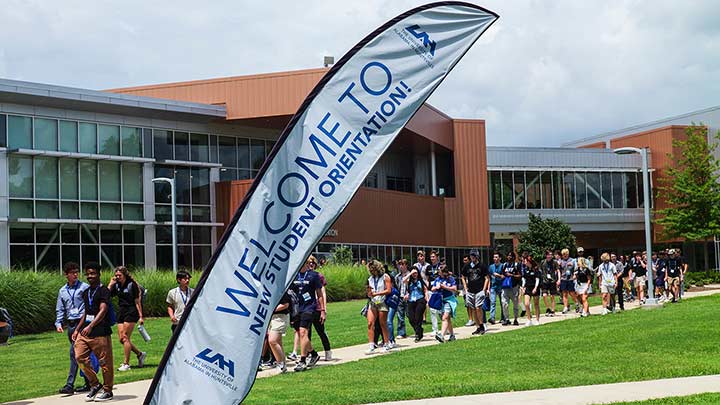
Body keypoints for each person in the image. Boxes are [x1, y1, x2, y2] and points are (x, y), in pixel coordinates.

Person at [72, 262, 114, 402]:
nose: (90, 276)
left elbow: (103, 310)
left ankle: (108, 390)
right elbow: (86, 312)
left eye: (93, 273)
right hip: (85, 333)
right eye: (88, 274)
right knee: (79, 357)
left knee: (105, 363)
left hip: (100, 333)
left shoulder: (104, 291)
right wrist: (78, 329)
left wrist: (91, 326)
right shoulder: (86, 292)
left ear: (99, 274)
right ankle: (95, 384)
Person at [55, 262, 98, 394]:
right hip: (71, 324)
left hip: (82, 323)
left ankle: (69, 385)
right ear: (66, 275)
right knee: (81, 355)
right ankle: (89, 382)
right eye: (72, 273)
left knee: (74, 353)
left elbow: (89, 306)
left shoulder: (84, 287)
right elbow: (60, 308)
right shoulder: (62, 291)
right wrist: (58, 323)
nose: (75, 275)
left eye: (76, 272)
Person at [108, 266, 146, 372]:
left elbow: (137, 301)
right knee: (122, 339)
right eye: (116, 275)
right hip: (121, 311)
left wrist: (141, 316)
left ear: (124, 275)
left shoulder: (132, 285)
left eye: (119, 275)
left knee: (125, 337)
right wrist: (111, 284)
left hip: (131, 311)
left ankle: (126, 364)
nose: (117, 277)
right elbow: (106, 295)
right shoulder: (117, 285)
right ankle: (140, 354)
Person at [290, 257, 324, 371]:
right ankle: (313, 354)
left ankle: (303, 360)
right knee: (300, 334)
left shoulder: (314, 275)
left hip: (309, 308)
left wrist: (322, 310)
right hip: (296, 309)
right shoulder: (293, 275)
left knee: (304, 332)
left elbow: (319, 294)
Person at [307, 257, 332, 361]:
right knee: (307, 333)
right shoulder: (302, 276)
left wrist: (323, 309)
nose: (311, 265)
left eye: (313, 263)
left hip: (317, 307)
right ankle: (308, 354)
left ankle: (328, 351)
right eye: (309, 263)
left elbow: (323, 293)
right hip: (307, 308)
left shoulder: (318, 276)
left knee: (321, 331)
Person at [366, 259, 392, 354]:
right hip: (373, 302)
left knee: (382, 323)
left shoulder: (385, 277)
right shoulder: (370, 279)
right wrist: (369, 293)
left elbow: (389, 290)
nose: (372, 272)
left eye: (373, 270)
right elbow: (369, 291)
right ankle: (371, 345)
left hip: (382, 302)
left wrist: (377, 293)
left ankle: (387, 343)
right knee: (370, 323)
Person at [462, 249, 489, 335]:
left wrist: (484, 289)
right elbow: (463, 277)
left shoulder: (482, 266)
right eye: (471, 256)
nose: (472, 257)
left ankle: (481, 325)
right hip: (470, 291)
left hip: (479, 290)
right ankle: (477, 327)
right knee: (473, 309)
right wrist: (465, 288)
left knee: (478, 308)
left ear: (477, 256)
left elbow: (487, 278)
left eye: (474, 255)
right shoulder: (467, 266)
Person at [431, 265, 458, 343]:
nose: (438, 272)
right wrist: (437, 287)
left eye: (439, 271)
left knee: (445, 317)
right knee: (447, 318)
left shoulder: (450, 279)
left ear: (444, 272)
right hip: (441, 301)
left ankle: (442, 335)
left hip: (449, 300)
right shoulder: (438, 279)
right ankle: (452, 335)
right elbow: (432, 289)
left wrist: (444, 287)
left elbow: (454, 289)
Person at [268, 291, 292, 373]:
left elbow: (285, 305)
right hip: (271, 318)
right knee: (278, 342)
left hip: (280, 317)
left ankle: (280, 364)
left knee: (272, 340)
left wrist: (271, 310)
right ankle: (283, 365)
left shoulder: (281, 290)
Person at [403, 266, 427, 342]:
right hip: (411, 300)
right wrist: (410, 273)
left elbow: (425, 290)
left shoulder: (421, 280)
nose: (414, 274)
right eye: (413, 273)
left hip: (420, 299)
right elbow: (403, 280)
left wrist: (427, 300)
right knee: (411, 319)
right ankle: (419, 331)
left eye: (416, 273)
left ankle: (418, 334)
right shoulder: (409, 281)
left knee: (418, 318)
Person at [501, 252, 522, 326]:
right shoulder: (504, 265)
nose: (509, 257)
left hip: (514, 287)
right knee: (504, 304)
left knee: (515, 304)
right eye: (508, 255)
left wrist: (512, 275)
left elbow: (520, 275)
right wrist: (501, 276)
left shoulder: (517, 265)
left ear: (513, 257)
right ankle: (506, 319)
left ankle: (516, 319)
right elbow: (502, 274)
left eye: (510, 256)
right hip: (505, 287)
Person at [390, 259, 409, 340]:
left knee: (410, 315)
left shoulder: (410, 274)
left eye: (402, 264)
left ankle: (417, 330)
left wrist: (408, 294)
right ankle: (401, 332)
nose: (400, 266)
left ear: (406, 265)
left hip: (409, 297)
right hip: (400, 298)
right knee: (400, 316)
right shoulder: (397, 277)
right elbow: (396, 287)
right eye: (399, 264)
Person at [425, 251, 442, 335]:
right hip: (431, 290)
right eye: (431, 257)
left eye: (433, 257)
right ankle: (435, 329)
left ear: (437, 257)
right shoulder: (428, 267)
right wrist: (427, 290)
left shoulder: (440, 266)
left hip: (439, 291)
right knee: (432, 310)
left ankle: (445, 326)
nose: (432, 258)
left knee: (440, 310)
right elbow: (427, 279)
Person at [521, 256, 541, 326]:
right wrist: (523, 287)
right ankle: (529, 319)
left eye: (525, 261)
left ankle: (537, 319)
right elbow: (524, 279)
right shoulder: (525, 269)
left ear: (529, 261)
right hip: (528, 288)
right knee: (526, 304)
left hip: (535, 288)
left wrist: (535, 288)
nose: (524, 262)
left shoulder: (535, 269)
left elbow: (537, 279)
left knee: (536, 304)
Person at [558, 249, 578, 314]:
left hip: (570, 279)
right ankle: (565, 307)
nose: (565, 255)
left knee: (572, 293)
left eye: (566, 254)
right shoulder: (560, 261)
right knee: (564, 293)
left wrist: (575, 274)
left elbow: (576, 269)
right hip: (563, 279)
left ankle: (577, 304)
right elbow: (558, 270)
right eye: (563, 254)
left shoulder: (572, 260)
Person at [539, 250, 559, 316]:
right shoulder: (543, 262)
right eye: (549, 255)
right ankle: (548, 308)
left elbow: (558, 271)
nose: (550, 256)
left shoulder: (554, 262)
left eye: (551, 255)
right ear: (546, 255)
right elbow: (540, 271)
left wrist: (559, 280)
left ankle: (553, 310)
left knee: (552, 296)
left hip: (552, 281)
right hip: (545, 281)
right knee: (544, 295)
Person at [487, 253, 505, 324]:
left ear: (500, 258)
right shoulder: (491, 267)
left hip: (501, 286)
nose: (495, 259)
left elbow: (505, 276)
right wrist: (488, 289)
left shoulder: (503, 266)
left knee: (502, 302)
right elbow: (488, 278)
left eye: (496, 257)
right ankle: (492, 318)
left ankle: (503, 318)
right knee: (493, 302)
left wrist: (499, 275)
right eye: (494, 257)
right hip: (493, 287)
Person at [459, 255, 475, 327]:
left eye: (466, 260)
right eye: (464, 260)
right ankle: (470, 319)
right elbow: (463, 277)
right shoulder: (464, 268)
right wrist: (465, 287)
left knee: (474, 305)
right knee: (467, 304)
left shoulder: (473, 267)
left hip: (473, 288)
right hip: (466, 289)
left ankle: (476, 319)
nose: (464, 262)